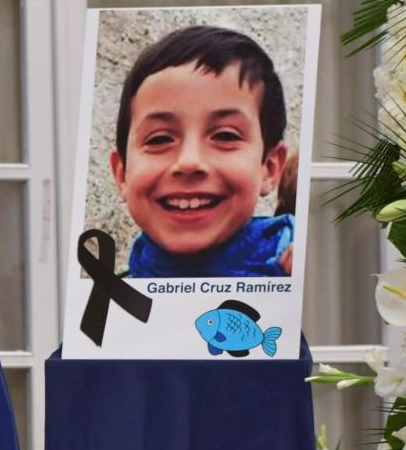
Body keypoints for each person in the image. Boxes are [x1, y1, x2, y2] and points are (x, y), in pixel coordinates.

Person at [108, 25, 293, 277]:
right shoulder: (101, 301)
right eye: (160, 139)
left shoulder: (310, 268)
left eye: (225, 136)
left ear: (269, 168)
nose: (189, 162)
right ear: (122, 175)